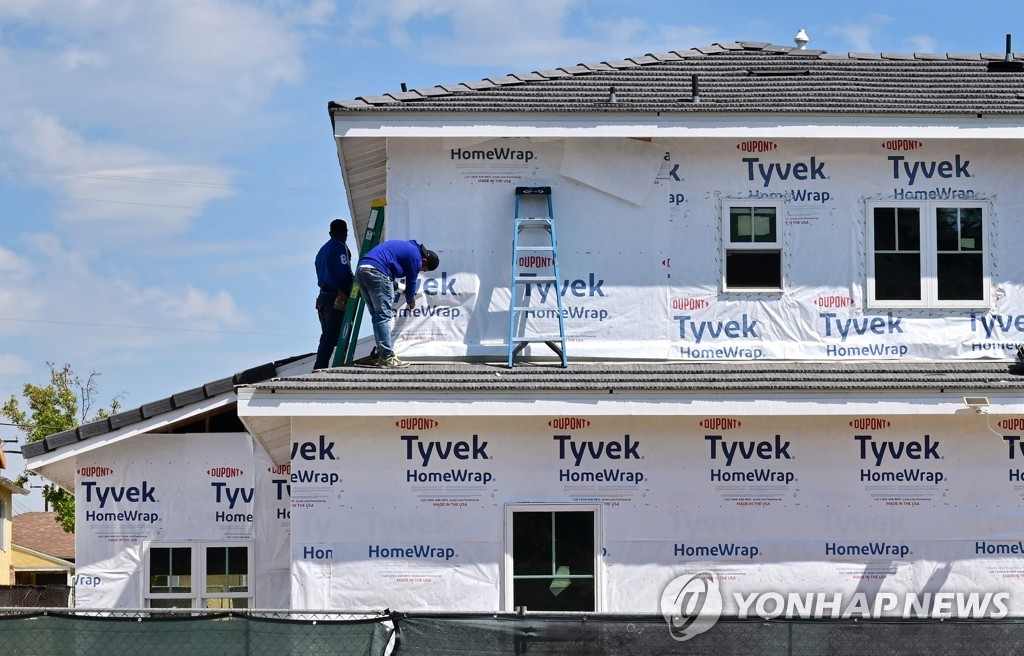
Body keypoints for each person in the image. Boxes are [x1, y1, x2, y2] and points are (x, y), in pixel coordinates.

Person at [357, 239, 440, 368]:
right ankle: (386, 357)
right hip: (377, 273)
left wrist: (401, 289)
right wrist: (410, 300)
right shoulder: (416, 258)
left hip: (362, 271)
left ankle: (381, 354)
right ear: (424, 261)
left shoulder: (408, 248)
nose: (420, 270)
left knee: (377, 317)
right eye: (423, 269)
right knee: (384, 316)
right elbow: (411, 282)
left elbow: (388, 280)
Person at [313, 219, 354, 369]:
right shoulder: (340, 246)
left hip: (322, 298)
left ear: (330, 233)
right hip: (335, 298)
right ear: (345, 233)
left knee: (327, 336)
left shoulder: (321, 251)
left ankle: (322, 365)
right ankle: (320, 367)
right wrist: (354, 287)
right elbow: (345, 273)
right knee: (332, 337)